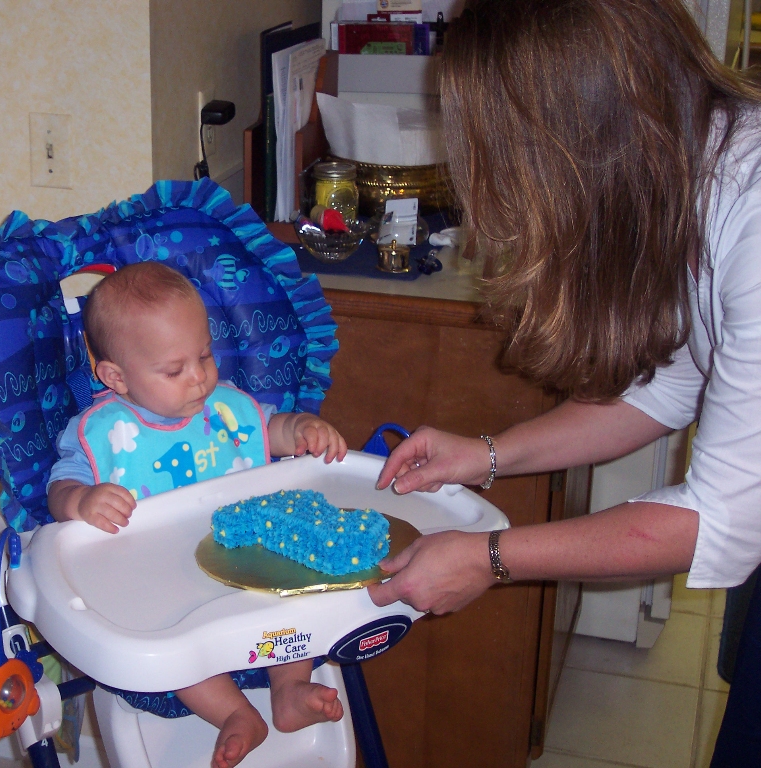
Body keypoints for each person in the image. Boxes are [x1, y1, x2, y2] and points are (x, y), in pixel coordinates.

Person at [363, 1, 761, 764]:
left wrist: (489, 557)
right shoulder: (693, 173)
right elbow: (670, 387)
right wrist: (487, 454)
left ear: (574, 141)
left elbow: (713, 522)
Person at [47, 261, 348, 768]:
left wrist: (300, 429)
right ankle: (235, 713)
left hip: (248, 559)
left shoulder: (224, 408)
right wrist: (81, 500)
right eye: (174, 370)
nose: (199, 378)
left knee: (294, 601)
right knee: (167, 645)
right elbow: (60, 488)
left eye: (205, 355)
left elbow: (265, 430)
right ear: (116, 377)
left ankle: (289, 689)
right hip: (163, 583)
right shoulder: (104, 432)